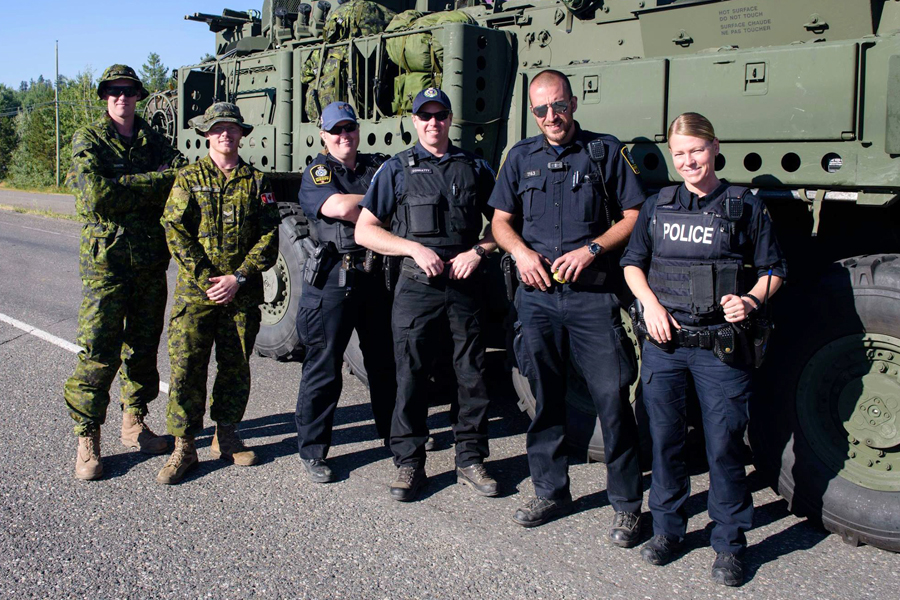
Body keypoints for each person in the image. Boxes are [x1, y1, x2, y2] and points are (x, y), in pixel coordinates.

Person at [620, 112, 786, 586]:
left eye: (696, 150)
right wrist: (649, 304)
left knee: (724, 448)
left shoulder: (743, 205)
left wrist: (752, 298)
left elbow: (776, 269)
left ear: (714, 147)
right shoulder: (658, 205)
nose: (689, 160)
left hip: (720, 349)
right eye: (679, 153)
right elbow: (633, 263)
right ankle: (669, 530)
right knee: (666, 443)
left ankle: (730, 544)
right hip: (665, 345)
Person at [490, 69, 646, 544]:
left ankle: (626, 505)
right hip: (537, 300)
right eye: (541, 110)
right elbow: (500, 221)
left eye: (559, 106)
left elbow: (635, 214)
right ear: (533, 112)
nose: (551, 117)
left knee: (613, 401)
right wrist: (519, 252)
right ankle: (550, 490)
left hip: (593, 297)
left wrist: (593, 249)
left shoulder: (604, 152)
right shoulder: (519, 157)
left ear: (574, 104)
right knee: (545, 400)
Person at [355, 88, 499, 501]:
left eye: (440, 116)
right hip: (416, 287)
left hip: (465, 286)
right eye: (425, 116)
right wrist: (413, 247)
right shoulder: (396, 169)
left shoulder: (475, 167)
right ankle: (409, 461)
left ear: (450, 120)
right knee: (411, 376)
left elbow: (504, 224)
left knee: (471, 375)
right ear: (414, 122)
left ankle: (470, 457)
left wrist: (478, 251)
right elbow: (365, 229)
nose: (433, 123)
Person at [64, 64, 186, 480]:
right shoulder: (89, 137)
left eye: (129, 90)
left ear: (138, 95)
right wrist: (151, 185)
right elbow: (94, 196)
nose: (122, 97)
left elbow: (181, 176)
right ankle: (87, 436)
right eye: (114, 91)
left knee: (143, 346)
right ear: (104, 96)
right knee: (99, 349)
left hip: (150, 262)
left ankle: (134, 423)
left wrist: (125, 185)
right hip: (107, 264)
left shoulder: (154, 138)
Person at [156, 103, 280, 485]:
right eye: (218, 128)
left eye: (232, 128)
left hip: (240, 294)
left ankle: (226, 435)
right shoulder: (189, 177)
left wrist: (239, 277)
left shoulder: (257, 181)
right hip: (196, 294)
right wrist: (209, 277)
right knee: (187, 367)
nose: (225, 134)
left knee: (235, 366)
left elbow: (270, 235)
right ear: (206, 135)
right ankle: (184, 446)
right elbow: (174, 227)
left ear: (242, 134)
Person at [294, 102, 396, 483]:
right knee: (324, 367)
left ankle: (394, 435)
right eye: (335, 131)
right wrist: (377, 202)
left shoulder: (375, 166)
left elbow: (396, 198)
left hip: (374, 277)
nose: (343, 137)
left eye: (349, 128)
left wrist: (368, 206)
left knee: (385, 362)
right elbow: (336, 206)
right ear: (323, 135)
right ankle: (313, 450)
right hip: (333, 280)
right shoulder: (318, 172)